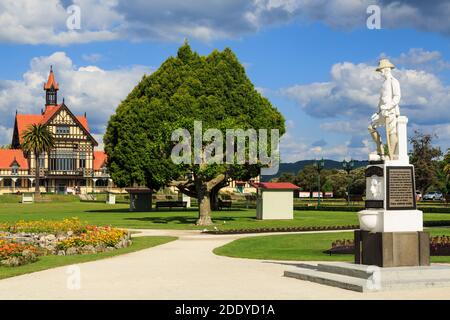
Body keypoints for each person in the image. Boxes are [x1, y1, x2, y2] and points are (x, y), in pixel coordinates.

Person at [368, 58, 401, 160]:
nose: (380, 73)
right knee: (371, 127)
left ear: (386, 69)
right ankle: (380, 151)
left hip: (390, 111)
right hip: (382, 111)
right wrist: (377, 112)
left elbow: (397, 97)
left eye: (381, 70)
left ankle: (391, 155)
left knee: (392, 132)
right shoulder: (384, 83)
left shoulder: (393, 81)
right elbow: (381, 100)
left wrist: (388, 106)